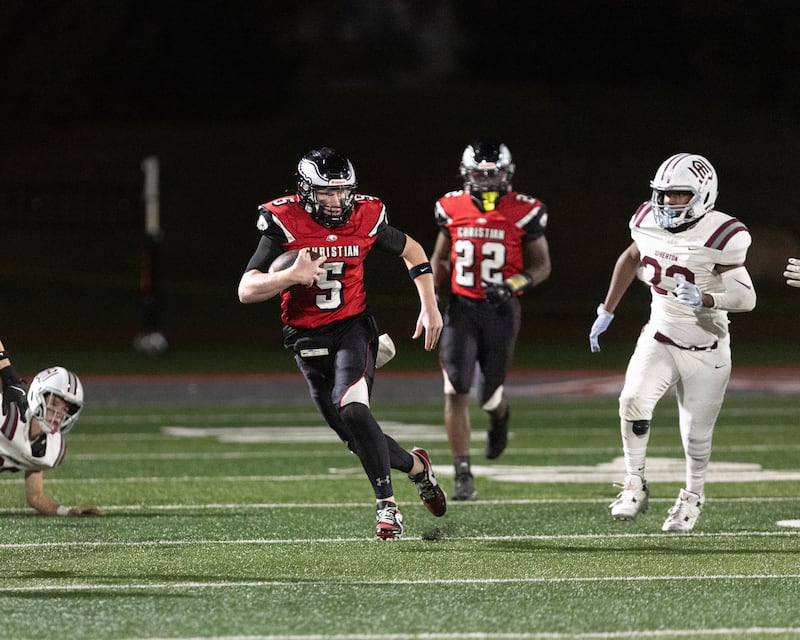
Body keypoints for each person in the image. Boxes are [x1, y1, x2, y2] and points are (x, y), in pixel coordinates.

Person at [238, 146, 446, 539]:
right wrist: (288, 277)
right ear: (305, 192)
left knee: (353, 409)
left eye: (341, 192)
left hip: (354, 327)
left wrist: (430, 307)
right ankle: (419, 469)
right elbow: (246, 290)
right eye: (325, 193)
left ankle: (387, 508)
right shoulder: (284, 221)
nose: (335, 202)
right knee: (355, 435)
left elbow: (413, 250)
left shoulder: (366, 215)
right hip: (305, 337)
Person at [589, 152, 756, 532]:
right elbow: (631, 258)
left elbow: (747, 298)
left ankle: (693, 497)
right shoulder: (646, 221)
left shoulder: (722, 234)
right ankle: (634, 483)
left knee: (696, 437)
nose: (666, 203)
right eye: (662, 194)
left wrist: (707, 298)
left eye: (678, 195)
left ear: (702, 194)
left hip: (708, 348)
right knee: (632, 399)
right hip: (660, 336)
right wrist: (607, 310)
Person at [430, 139, 552, 500]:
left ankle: (500, 415)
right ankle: (462, 472)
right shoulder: (449, 207)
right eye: (479, 175)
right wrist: (435, 298)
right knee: (455, 389)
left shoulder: (526, 210)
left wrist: (514, 283)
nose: (485, 182)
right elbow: (439, 259)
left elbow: (541, 265)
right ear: (466, 175)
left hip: (500, 311)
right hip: (462, 309)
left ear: (507, 174)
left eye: (493, 175)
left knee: (488, 396)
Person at [1, 363, 102, 517]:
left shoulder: (51, 450)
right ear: (37, 394)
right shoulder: (6, 413)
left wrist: (68, 511)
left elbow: (35, 497)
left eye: (66, 409)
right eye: (54, 403)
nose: (58, 413)